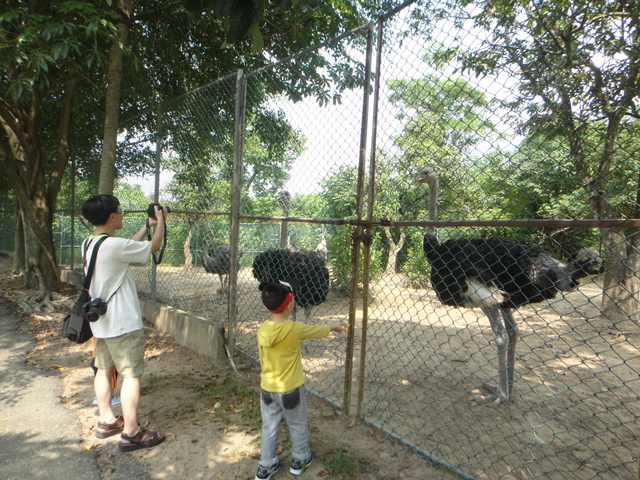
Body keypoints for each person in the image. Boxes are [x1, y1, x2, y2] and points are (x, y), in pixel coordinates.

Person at [81, 194, 166, 452]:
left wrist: (146, 225)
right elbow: (154, 247)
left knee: (103, 369)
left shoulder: (90, 243)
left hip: (101, 322)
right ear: (111, 216)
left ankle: (106, 420)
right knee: (131, 375)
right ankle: (131, 432)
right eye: (119, 210)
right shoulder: (115, 246)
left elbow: (126, 247)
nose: (121, 214)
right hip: (123, 322)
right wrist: (160, 222)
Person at [255, 280, 346, 480]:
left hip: (267, 388)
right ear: (289, 304)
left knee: (269, 426)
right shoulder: (295, 329)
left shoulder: (262, 329)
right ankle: (300, 458)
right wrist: (334, 327)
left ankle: (265, 465)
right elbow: (317, 330)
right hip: (291, 389)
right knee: (296, 423)